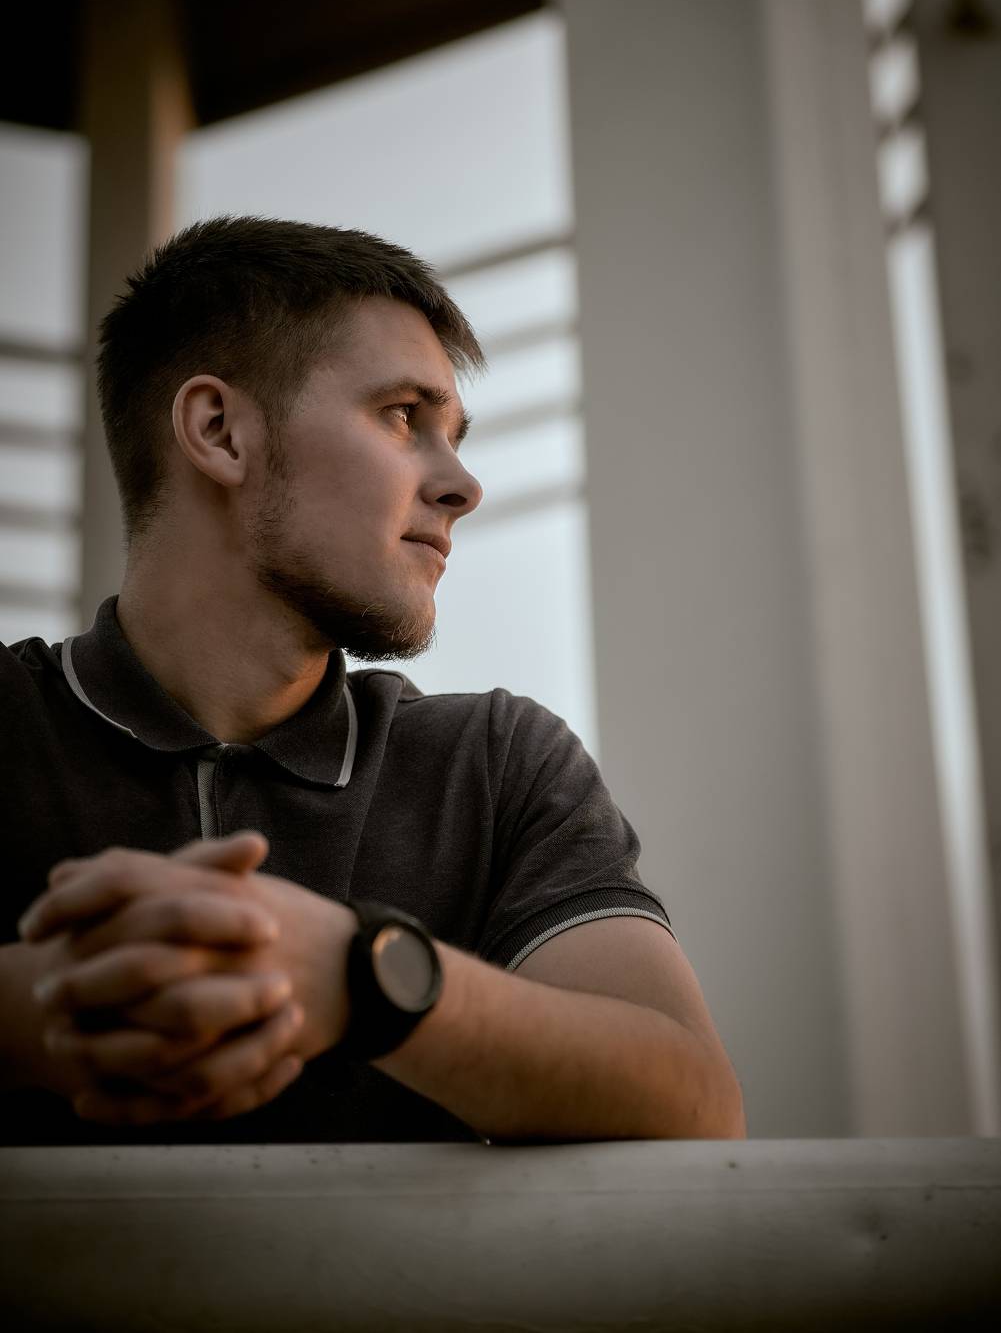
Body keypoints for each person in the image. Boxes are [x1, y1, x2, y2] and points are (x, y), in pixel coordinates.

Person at [0, 216, 744, 1145]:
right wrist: (52, 1004)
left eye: (455, 436)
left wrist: (364, 975)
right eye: (403, 416)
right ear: (219, 431)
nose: (463, 485)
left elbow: (695, 1104)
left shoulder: (495, 764)